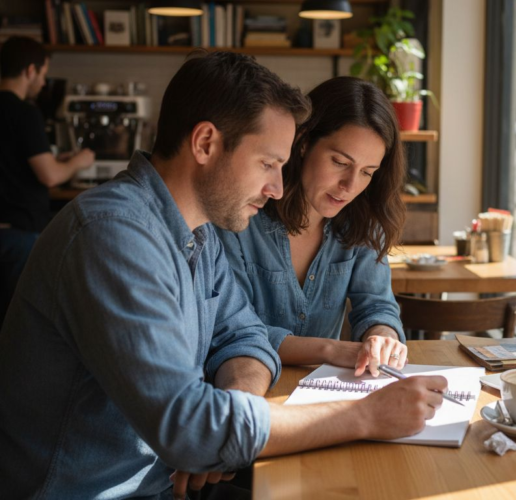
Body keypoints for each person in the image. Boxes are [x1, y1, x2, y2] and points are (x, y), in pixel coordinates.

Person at [0, 52, 446, 499]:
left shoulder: (199, 234)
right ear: (206, 143)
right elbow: (192, 429)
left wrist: (233, 419)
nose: (276, 187)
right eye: (268, 163)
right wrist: (366, 415)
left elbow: (243, 337)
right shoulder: (112, 236)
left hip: (164, 482)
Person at [217, 77, 408, 377]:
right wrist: (331, 349)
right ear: (304, 141)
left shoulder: (363, 222)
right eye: (340, 162)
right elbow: (233, 328)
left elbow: (376, 306)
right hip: (249, 390)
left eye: (367, 172)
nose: (349, 186)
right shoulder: (243, 216)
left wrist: (382, 336)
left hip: (326, 393)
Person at [0, 36, 95, 325]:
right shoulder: (25, 113)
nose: (43, 83)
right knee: (16, 321)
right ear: (30, 71)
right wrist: (80, 161)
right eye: (42, 74)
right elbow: (50, 175)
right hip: (18, 234)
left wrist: (58, 158)